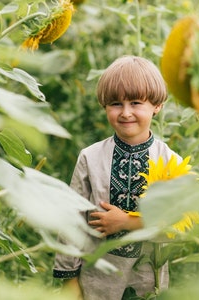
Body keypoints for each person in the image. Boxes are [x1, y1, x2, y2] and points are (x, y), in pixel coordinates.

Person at [53, 55, 182, 299]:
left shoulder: (170, 161)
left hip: (149, 281)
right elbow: (71, 221)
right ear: (104, 106)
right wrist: (68, 279)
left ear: (157, 105)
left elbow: (177, 223)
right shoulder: (90, 158)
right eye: (115, 103)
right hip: (98, 281)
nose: (125, 113)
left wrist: (128, 222)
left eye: (135, 102)